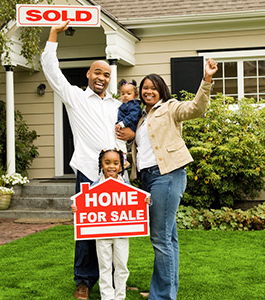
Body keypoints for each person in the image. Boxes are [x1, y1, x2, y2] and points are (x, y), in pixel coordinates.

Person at [41, 20, 135, 300]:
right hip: (88, 173)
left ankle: (118, 281)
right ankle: (84, 280)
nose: (102, 78)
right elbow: (52, 71)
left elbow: (123, 137)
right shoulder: (75, 98)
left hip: (118, 176)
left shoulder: (119, 106)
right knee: (86, 231)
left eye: (106, 74)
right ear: (88, 74)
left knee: (119, 231)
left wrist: (126, 156)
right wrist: (53, 34)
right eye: (97, 72)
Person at [130, 59, 218, 300]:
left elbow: (196, 108)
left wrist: (207, 79)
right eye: (144, 88)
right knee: (168, 237)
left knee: (160, 238)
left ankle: (164, 295)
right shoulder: (141, 116)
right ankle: (164, 290)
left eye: (153, 87)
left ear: (161, 90)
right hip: (148, 178)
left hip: (167, 175)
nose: (148, 91)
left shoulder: (170, 108)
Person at [72, 149, 150, 300]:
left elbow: (138, 202)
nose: (111, 166)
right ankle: (107, 296)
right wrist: (77, 208)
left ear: (121, 166)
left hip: (122, 234)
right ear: (101, 165)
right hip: (102, 234)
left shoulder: (127, 187)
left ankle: (120, 295)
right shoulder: (94, 187)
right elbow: (84, 205)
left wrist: (145, 202)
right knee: (105, 266)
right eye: (107, 163)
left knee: (121, 265)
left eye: (116, 163)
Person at [115, 79, 142, 166]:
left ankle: (124, 161)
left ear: (136, 95)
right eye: (123, 94)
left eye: (129, 94)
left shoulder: (134, 105)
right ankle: (122, 160)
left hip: (130, 126)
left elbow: (133, 117)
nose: (125, 96)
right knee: (119, 144)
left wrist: (122, 123)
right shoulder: (124, 104)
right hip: (125, 125)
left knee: (120, 143)